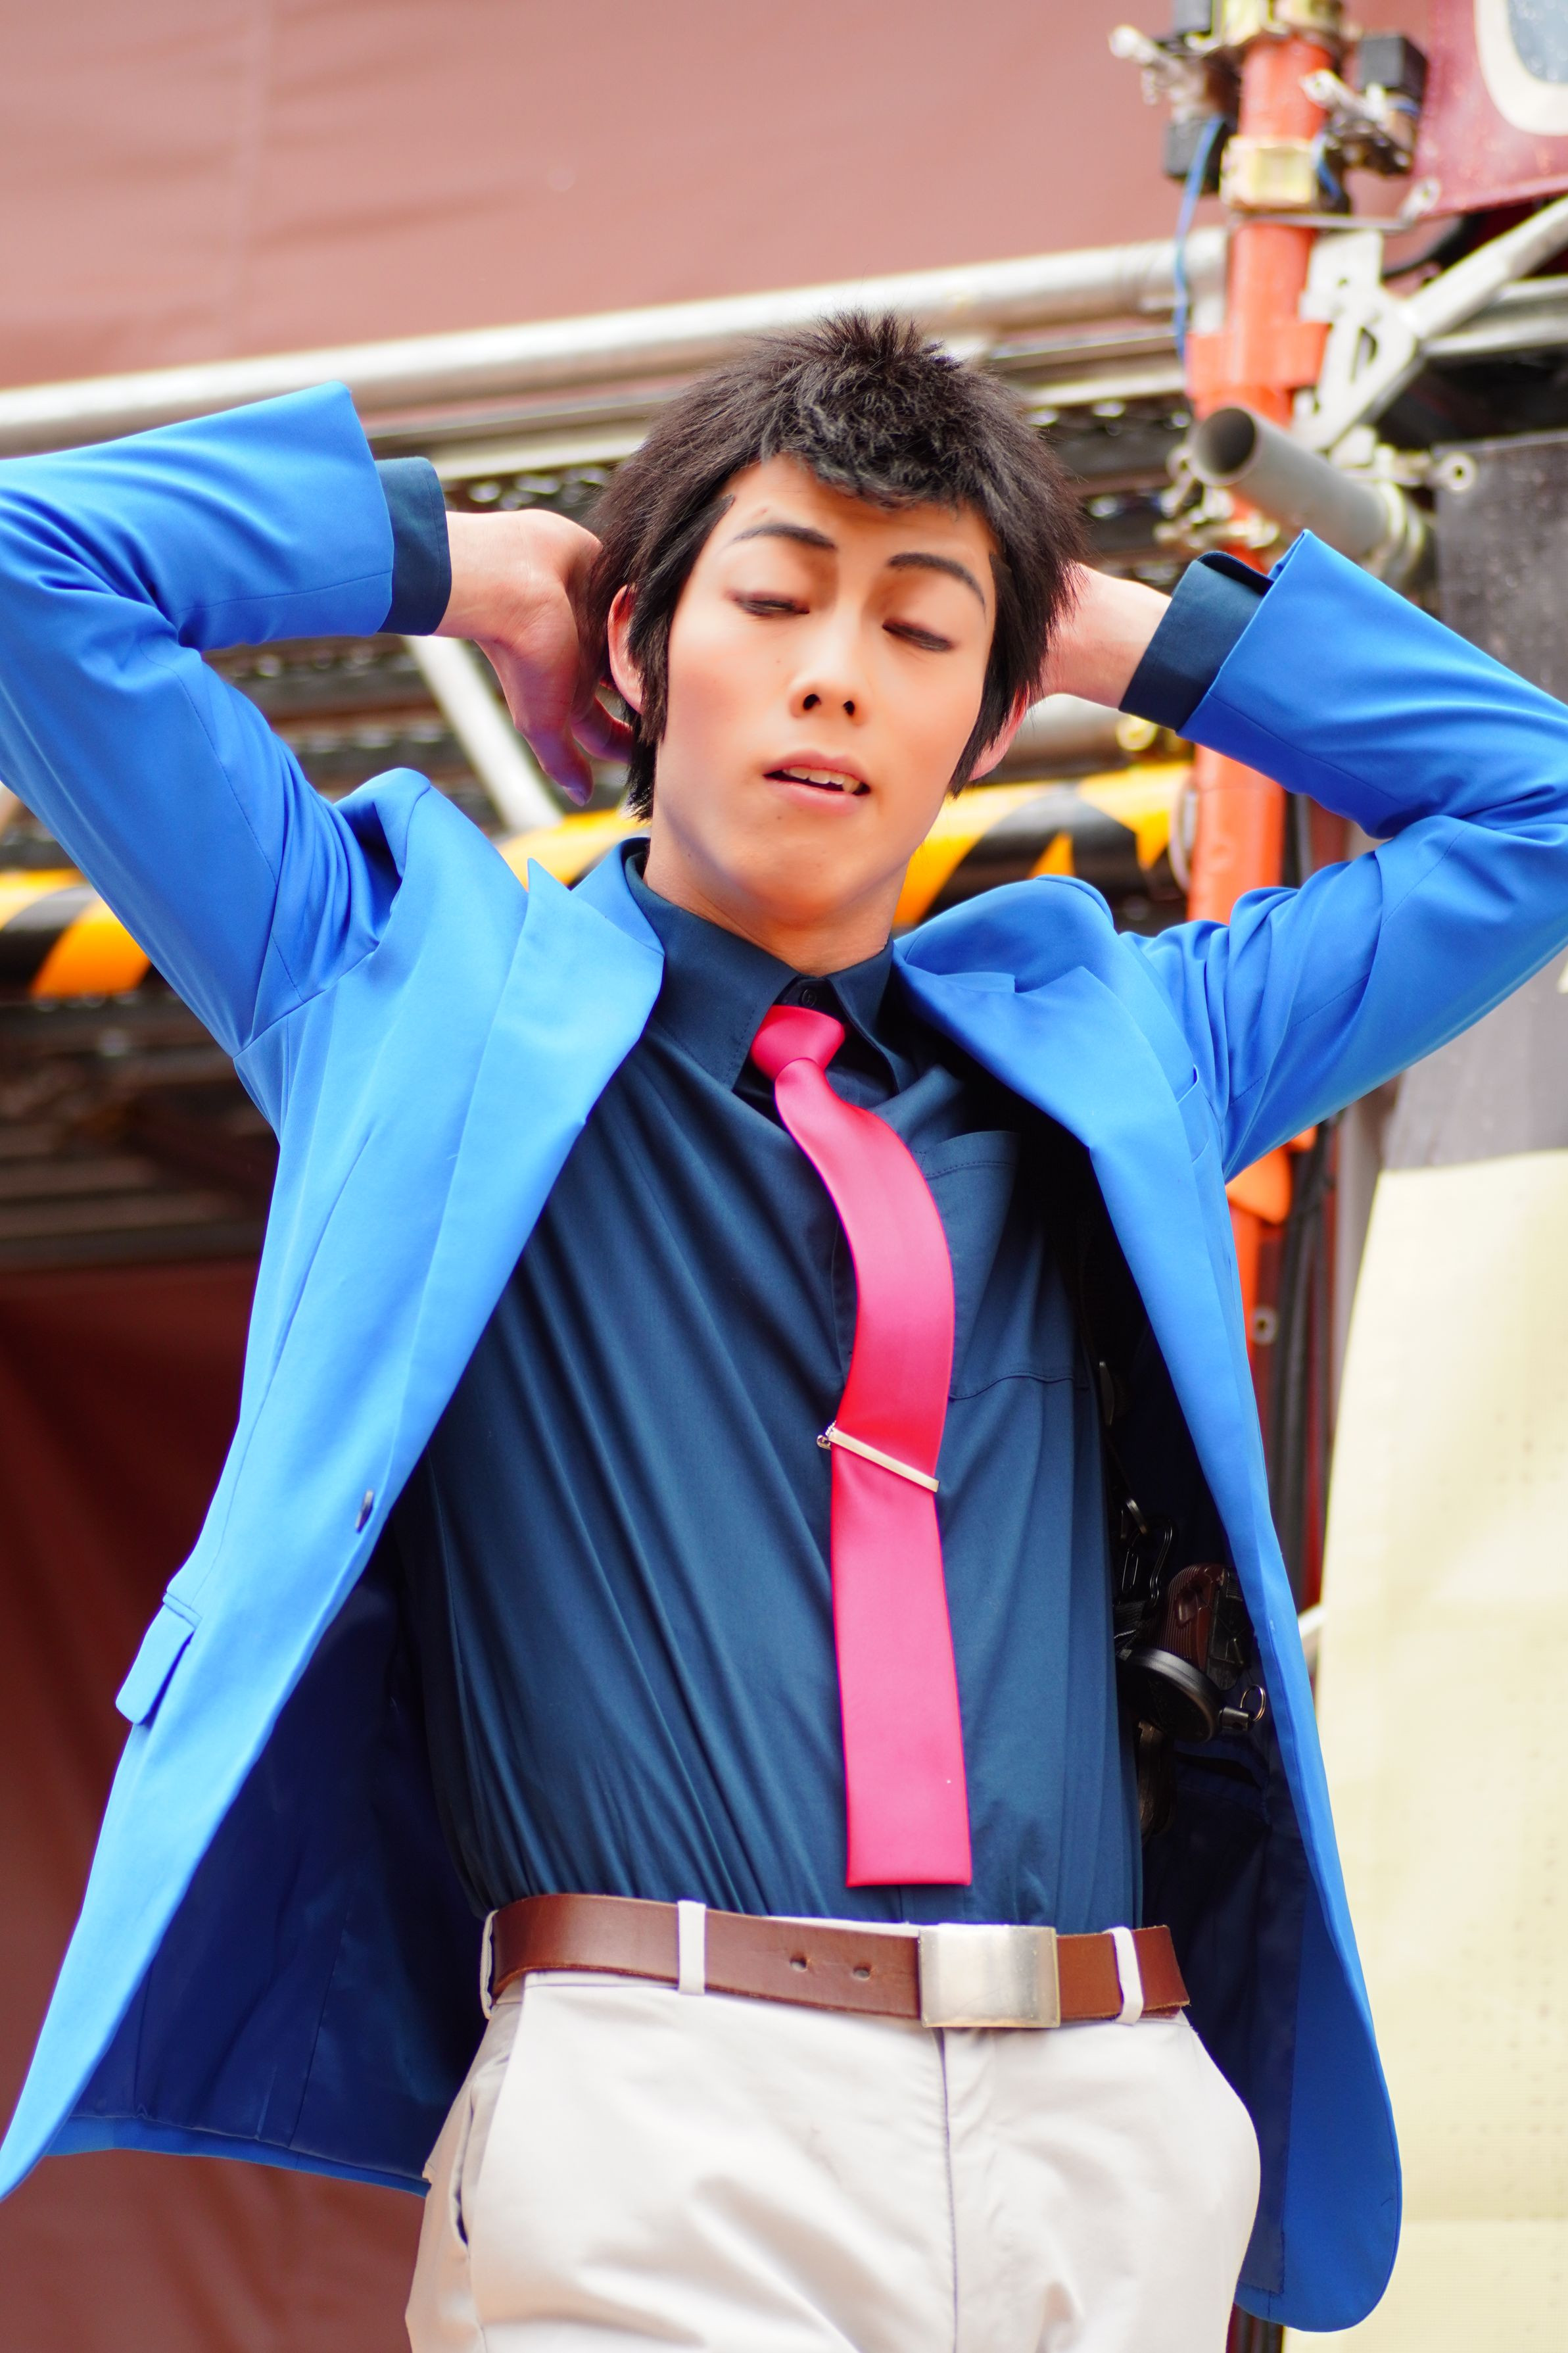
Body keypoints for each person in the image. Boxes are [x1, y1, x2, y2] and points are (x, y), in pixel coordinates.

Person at [0, 313, 1561, 2350]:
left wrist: (1094, 627)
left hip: (1108, 2118)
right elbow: (32, 568)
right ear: (643, 645)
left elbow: (1535, 811)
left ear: (986, 720)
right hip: (656, 2106)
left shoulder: (1126, 1049)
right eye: (771, 596)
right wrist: (477, 563)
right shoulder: (400, 983)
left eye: (916, 631)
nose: (835, 670)